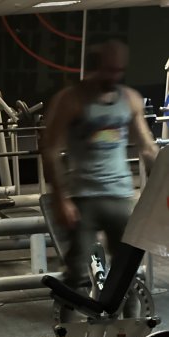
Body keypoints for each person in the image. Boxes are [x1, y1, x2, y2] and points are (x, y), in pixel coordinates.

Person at [40, 39, 158, 317]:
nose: (114, 76)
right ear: (94, 67)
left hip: (120, 195)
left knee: (127, 273)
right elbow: (50, 150)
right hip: (82, 198)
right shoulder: (71, 99)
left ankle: (130, 333)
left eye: (119, 70)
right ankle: (67, 335)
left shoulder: (129, 98)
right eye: (109, 69)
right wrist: (60, 199)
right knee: (76, 275)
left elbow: (146, 146)